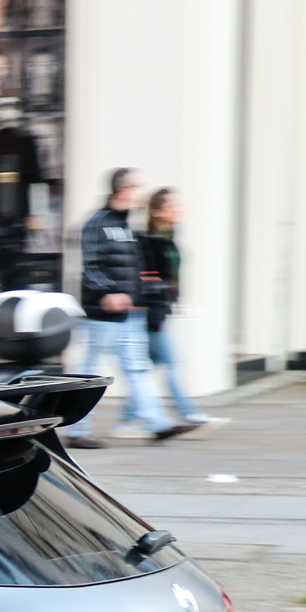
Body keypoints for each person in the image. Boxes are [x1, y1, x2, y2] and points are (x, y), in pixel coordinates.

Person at [67, 169, 188, 448]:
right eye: (136, 187)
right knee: (89, 372)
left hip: (129, 314)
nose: (140, 192)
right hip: (102, 315)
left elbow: (134, 269)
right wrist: (109, 292)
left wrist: (143, 295)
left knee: (136, 368)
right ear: (122, 189)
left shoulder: (127, 227)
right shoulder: (97, 224)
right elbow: (90, 266)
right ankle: (77, 430)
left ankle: (158, 423)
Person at [139, 188, 215, 430]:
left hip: (161, 310)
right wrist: (158, 312)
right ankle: (189, 412)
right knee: (171, 362)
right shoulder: (150, 242)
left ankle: (127, 419)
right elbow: (150, 281)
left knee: (145, 367)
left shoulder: (169, 238)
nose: (180, 210)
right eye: (173, 206)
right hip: (153, 313)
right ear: (159, 212)